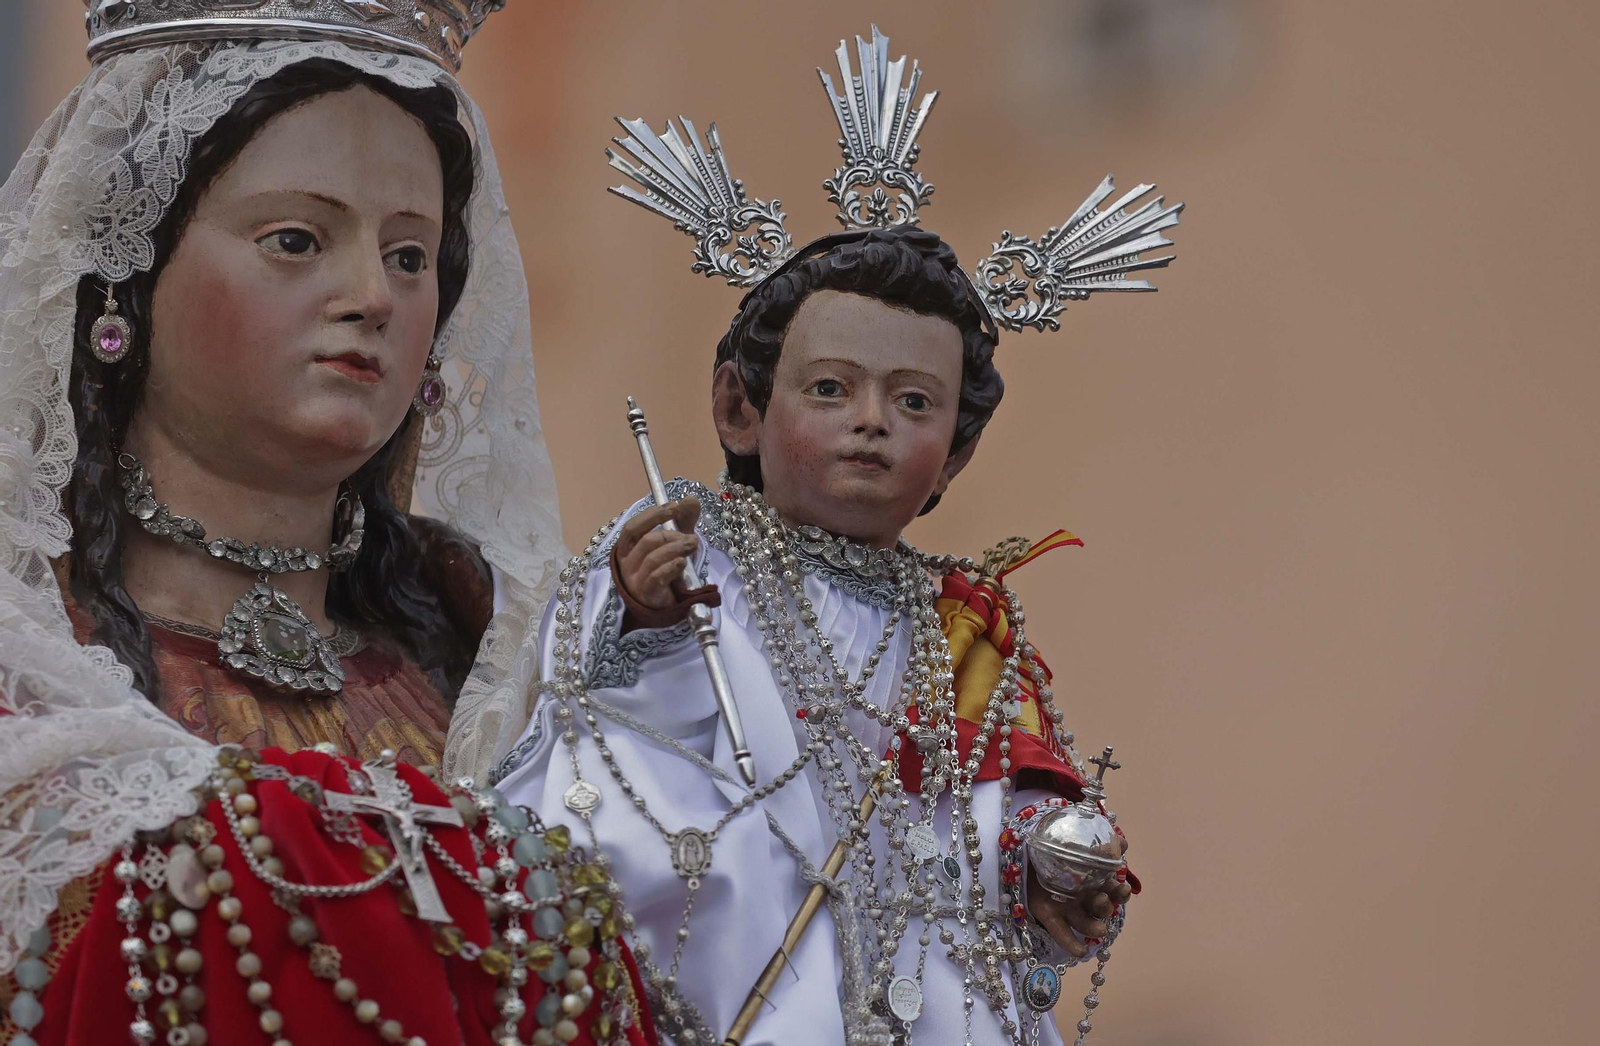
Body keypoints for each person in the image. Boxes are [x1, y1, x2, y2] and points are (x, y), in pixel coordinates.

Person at [484, 26, 1180, 1046]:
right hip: (728, 966)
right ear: (737, 410)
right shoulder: (694, 550)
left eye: (912, 401)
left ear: (953, 458)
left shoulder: (966, 625)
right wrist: (639, 619)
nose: (871, 421)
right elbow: (587, 735)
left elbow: (1006, 788)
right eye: (828, 388)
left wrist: (1051, 864)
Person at [0, 4, 650, 1044]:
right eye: (296, 239)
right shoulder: (29, 664)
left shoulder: (509, 674)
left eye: (409, 255)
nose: (372, 296)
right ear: (128, 272)